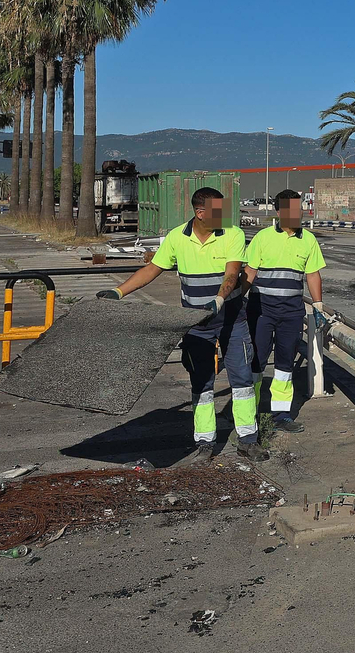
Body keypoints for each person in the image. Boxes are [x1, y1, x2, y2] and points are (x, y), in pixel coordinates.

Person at [98, 187, 267, 464]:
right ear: (200, 213)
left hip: (232, 320)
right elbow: (153, 268)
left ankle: (248, 440)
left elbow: (233, 273)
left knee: (242, 380)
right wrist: (118, 292)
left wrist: (220, 299)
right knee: (201, 383)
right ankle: (204, 443)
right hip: (196, 325)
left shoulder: (232, 233)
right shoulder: (177, 237)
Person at [244, 189, 325, 433]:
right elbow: (249, 271)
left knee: (285, 363)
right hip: (261, 311)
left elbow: (312, 274)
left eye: (298, 208)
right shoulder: (262, 238)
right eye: (290, 209)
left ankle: (281, 414)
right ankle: (251, 411)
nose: (296, 213)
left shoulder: (308, 240)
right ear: (278, 212)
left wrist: (318, 305)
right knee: (256, 361)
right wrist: (237, 298)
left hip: (291, 313)